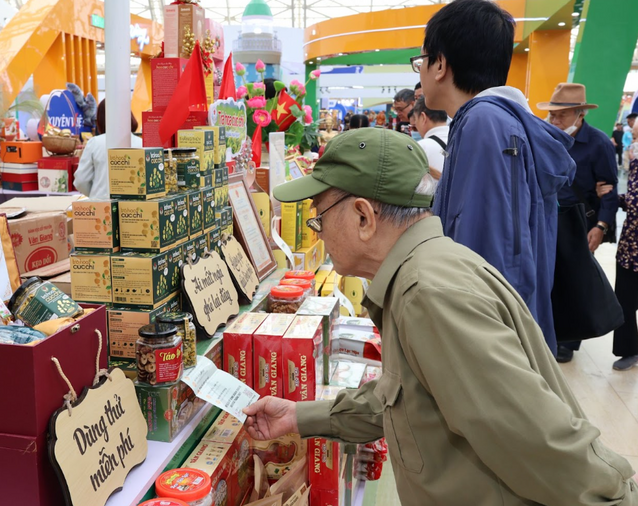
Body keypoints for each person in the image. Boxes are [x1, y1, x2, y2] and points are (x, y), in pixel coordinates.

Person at [244, 128, 638, 506]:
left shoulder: (428, 295)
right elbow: (406, 398)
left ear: (363, 217)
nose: (319, 232)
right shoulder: (422, 272)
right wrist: (300, 416)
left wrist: (618, 499)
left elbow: (537, 440)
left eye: (319, 217)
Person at [417, 0, 576, 355]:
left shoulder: (483, 123)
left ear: (440, 64)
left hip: (490, 345)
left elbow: (485, 251)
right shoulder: (498, 120)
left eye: (422, 60)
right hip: (509, 333)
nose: (421, 71)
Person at [537, 83, 619, 363]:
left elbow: (609, 190)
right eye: (552, 114)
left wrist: (601, 226)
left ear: (579, 114)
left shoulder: (598, 143)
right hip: (549, 216)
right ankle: (552, 328)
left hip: (582, 221)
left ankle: (570, 340)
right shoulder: (547, 137)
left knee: (577, 277)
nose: (555, 120)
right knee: (551, 274)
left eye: (561, 115)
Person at [597, 122, 638, 371]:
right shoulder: (636, 167)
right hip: (630, 249)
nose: (633, 145)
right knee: (625, 301)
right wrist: (610, 195)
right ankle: (629, 350)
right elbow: (633, 200)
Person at [73, 99, 142, 199]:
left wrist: (96, 194)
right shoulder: (141, 144)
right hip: (134, 206)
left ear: (101, 119)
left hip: (101, 205)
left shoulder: (95, 143)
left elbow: (81, 180)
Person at [407, 96, 448, 179]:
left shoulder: (420, 148)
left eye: (416, 120)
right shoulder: (462, 139)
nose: (416, 125)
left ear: (423, 117)